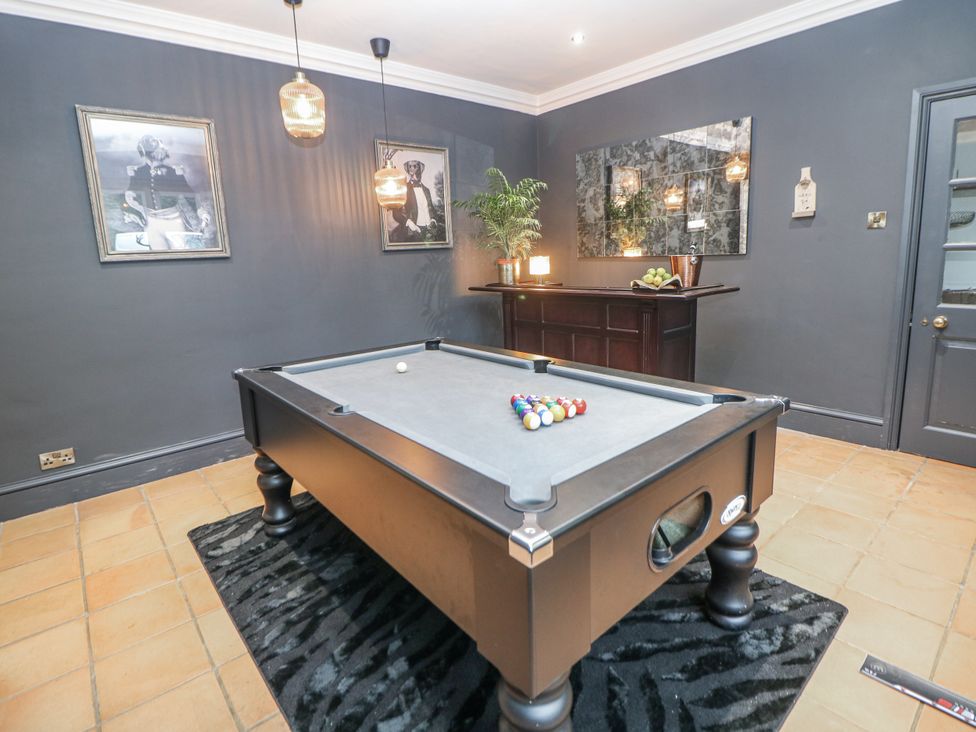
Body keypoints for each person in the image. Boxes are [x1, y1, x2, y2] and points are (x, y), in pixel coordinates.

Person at [122, 135, 211, 250]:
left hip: (173, 220)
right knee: (159, 256)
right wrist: (137, 212)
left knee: (180, 253)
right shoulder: (137, 173)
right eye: (157, 149)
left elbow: (190, 195)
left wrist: (202, 213)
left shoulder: (174, 172)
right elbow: (130, 196)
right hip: (151, 222)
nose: (162, 151)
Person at [390, 160, 436, 243]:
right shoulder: (403, 189)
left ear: (421, 169)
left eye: (415, 166)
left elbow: (431, 209)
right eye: (410, 167)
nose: (413, 170)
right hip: (412, 232)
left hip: (429, 233)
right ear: (408, 170)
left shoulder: (427, 190)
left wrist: (433, 220)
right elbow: (395, 213)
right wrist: (409, 223)